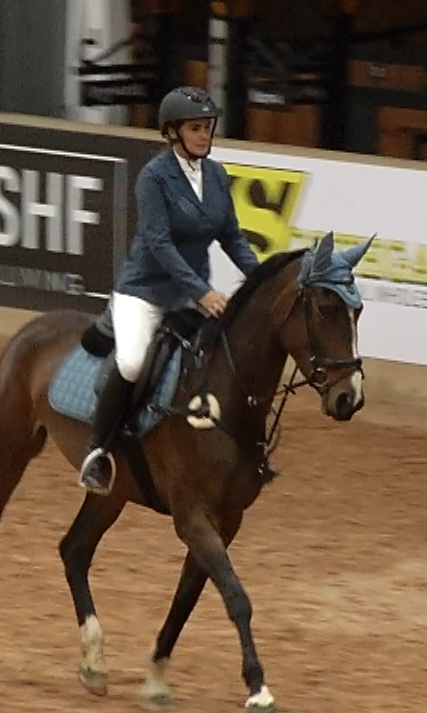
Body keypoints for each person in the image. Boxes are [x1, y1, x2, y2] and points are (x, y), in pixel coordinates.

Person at [77, 86, 263, 495]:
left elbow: (232, 236)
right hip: (145, 291)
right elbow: (159, 245)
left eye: (208, 127)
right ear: (173, 132)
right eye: (195, 128)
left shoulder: (216, 175)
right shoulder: (154, 177)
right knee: (131, 363)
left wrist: (262, 278)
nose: (204, 135)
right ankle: (99, 451)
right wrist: (203, 293)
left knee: (218, 361)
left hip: (191, 294)